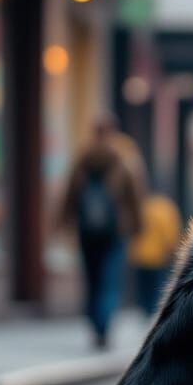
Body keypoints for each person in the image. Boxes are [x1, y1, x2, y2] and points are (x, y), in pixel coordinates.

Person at [59, 117, 144, 349]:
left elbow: (70, 194)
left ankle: (95, 322)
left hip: (87, 231)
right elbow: (135, 198)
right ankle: (103, 324)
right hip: (115, 232)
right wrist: (138, 227)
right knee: (109, 281)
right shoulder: (124, 160)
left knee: (92, 279)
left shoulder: (82, 160)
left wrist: (63, 221)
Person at [129, 191, 182, 316]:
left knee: (143, 288)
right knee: (157, 288)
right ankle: (154, 312)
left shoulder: (143, 207)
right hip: (158, 257)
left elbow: (134, 230)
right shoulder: (166, 208)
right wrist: (172, 250)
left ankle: (146, 310)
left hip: (141, 256)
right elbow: (170, 233)